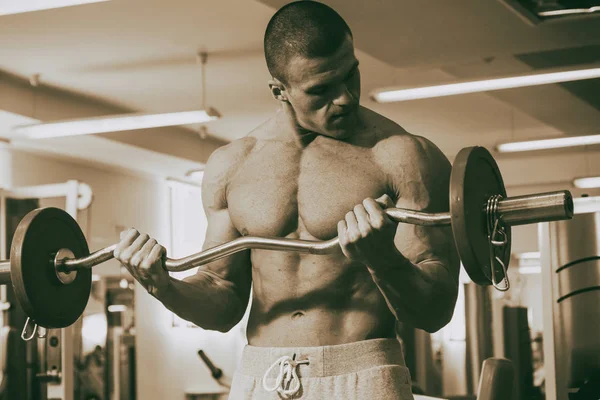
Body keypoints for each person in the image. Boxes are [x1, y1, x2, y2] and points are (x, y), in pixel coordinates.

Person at [114, 1, 459, 398]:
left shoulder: (402, 156)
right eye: (321, 90)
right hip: (260, 378)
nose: (345, 98)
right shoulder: (233, 165)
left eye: (351, 76)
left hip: (361, 373)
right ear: (280, 90)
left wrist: (383, 258)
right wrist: (163, 286)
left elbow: (435, 310)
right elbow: (222, 300)